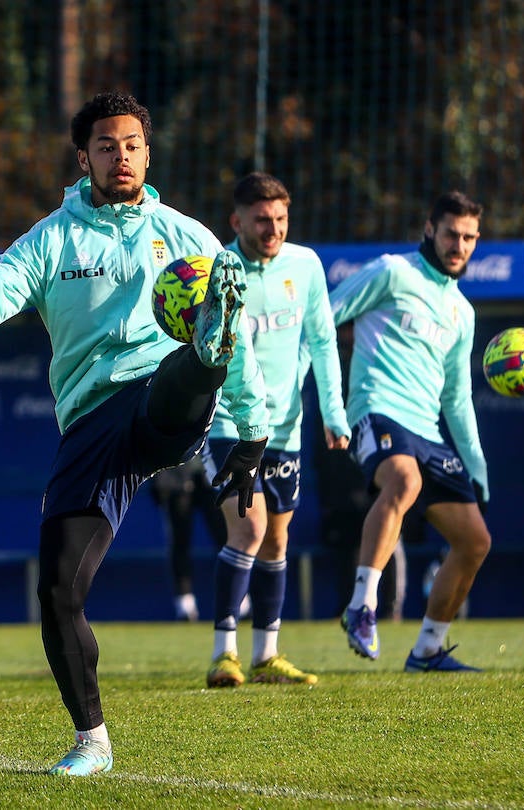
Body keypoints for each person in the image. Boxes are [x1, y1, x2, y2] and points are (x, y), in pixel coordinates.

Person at [0, 91, 271, 777]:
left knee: (190, 363)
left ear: (147, 154)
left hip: (160, 401)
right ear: (83, 157)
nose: (119, 156)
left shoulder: (189, 238)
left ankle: (197, 355)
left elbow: (241, 338)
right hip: (90, 425)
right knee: (59, 593)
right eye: (105, 145)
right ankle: (91, 740)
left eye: (130, 144)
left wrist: (252, 433)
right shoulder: (55, 238)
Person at [330, 190, 491, 672]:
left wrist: (477, 464)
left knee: (475, 542)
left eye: (469, 237)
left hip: (427, 429)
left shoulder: (463, 312)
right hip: (376, 410)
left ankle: (427, 649)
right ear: (429, 230)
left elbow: (457, 399)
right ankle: (361, 606)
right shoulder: (391, 272)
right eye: (450, 234)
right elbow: (325, 319)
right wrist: (331, 409)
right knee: (405, 482)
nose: (458, 245)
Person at [201, 172, 350, 689]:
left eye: (281, 219)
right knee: (249, 528)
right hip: (228, 426)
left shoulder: (305, 266)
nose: (273, 229)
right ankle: (224, 654)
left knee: (277, 539)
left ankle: (267, 655)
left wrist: (334, 413)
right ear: (236, 220)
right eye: (262, 219)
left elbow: (324, 341)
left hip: (286, 428)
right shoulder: (218, 268)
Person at [146, 455, 226, 621]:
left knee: (226, 540)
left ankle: (239, 602)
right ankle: (185, 605)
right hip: (176, 476)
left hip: (211, 475)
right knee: (179, 540)